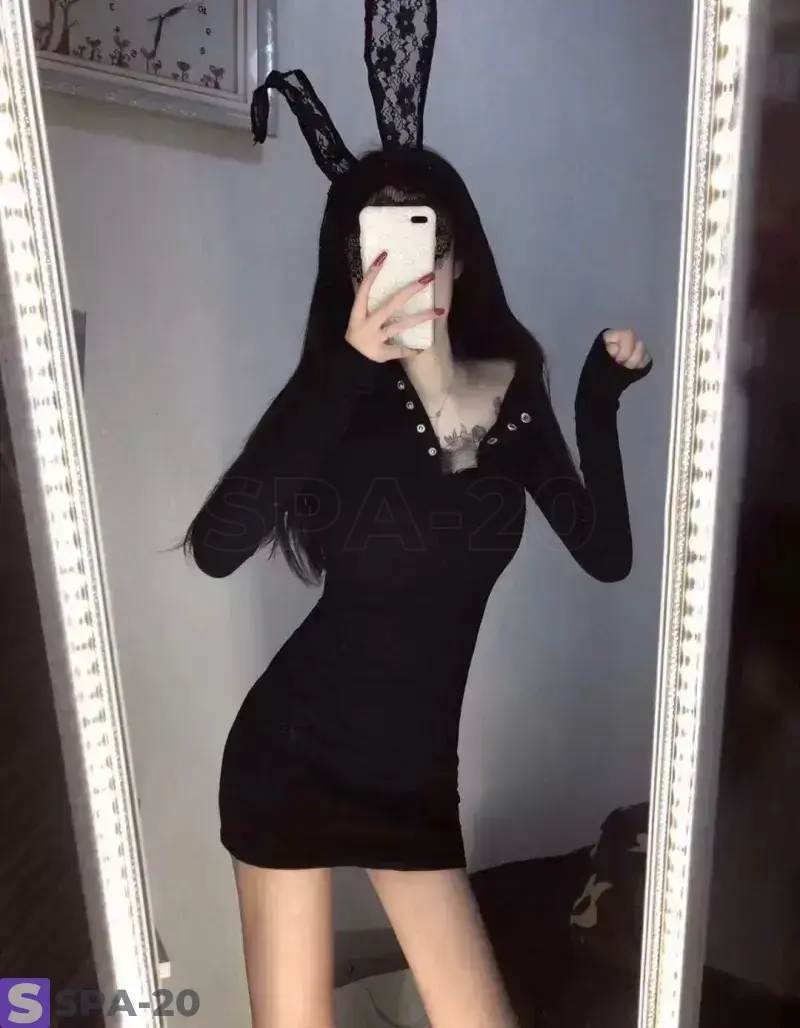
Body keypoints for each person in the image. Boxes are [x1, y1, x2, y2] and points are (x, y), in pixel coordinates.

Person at [183, 146, 652, 1028]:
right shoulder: (337, 398)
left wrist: (599, 404)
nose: (404, 269)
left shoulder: (515, 396)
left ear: (459, 256)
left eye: (423, 242)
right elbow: (216, 548)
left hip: (416, 779)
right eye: (375, 249)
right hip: (291, 755)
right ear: (350, 268)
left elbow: (606, 554)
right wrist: (343, 366)